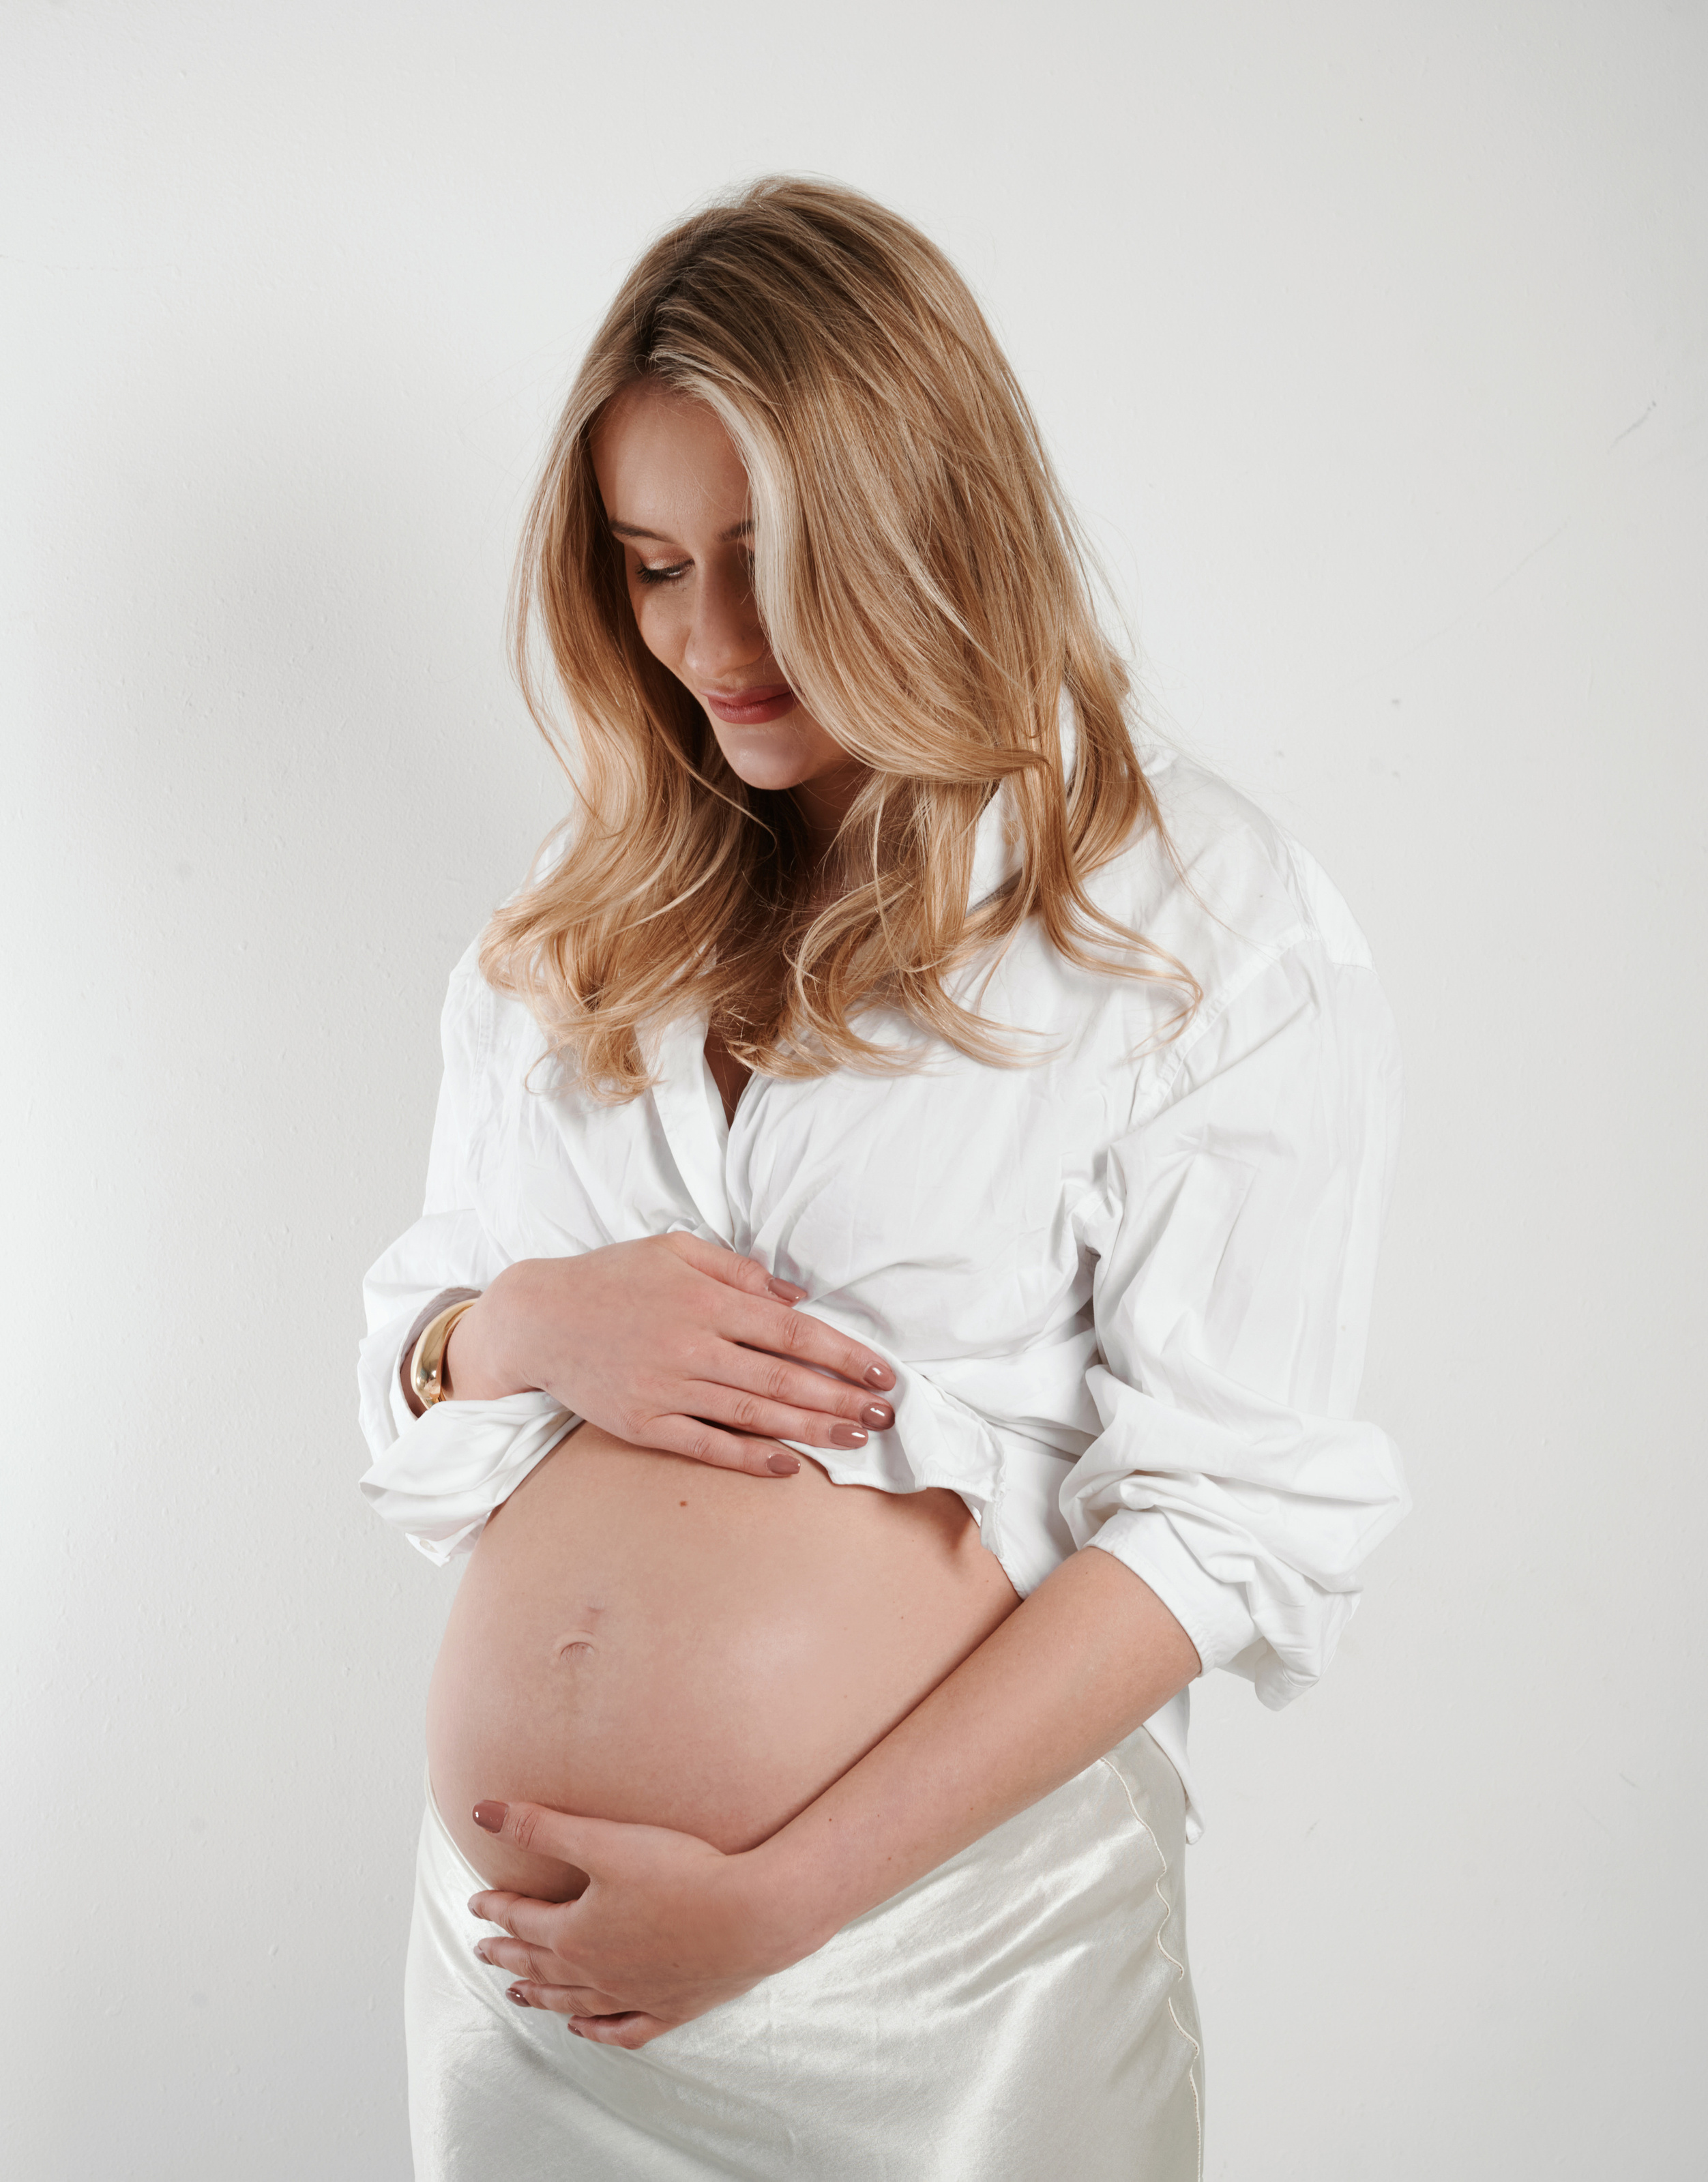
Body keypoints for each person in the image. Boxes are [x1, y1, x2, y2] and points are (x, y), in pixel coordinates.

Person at [357, 175, 1407, 2181]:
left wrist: (781, 1897)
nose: (709, 644)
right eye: (653, 567)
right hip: (528, 1993)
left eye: (770, 562)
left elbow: (1229, 1522)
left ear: (928, 520)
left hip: (945, 1983)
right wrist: (519, 1328)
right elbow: (418, 1413)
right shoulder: (575, 937)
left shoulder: (1193, 920)